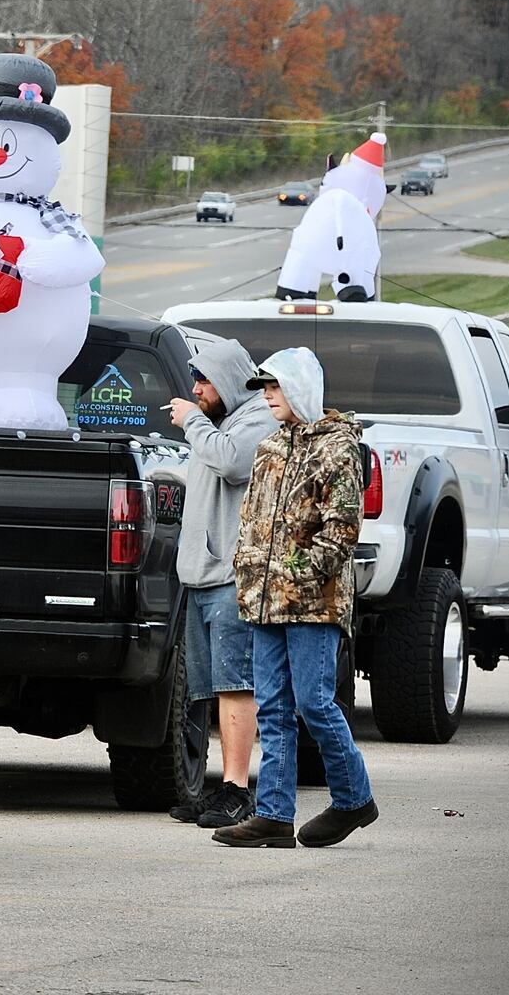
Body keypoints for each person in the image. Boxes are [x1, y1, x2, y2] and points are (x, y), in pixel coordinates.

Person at [213, 346, 377, 849]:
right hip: (262, 603)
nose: (267, 396)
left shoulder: (340, 447)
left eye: (275, 386)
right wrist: (248, 573)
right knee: (273, 710)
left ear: (300, 387)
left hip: (313, 605)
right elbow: (253, 525)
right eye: (264, 388)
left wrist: (293, 572)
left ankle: (354, 799)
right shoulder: (269, 448)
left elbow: (342, 532)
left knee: (314, 703)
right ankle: (274, 815)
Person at [166, 339, 277, 829]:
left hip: (231, 578)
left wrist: (192, 420)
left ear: (228, 378)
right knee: (207, 688)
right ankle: (216, 787)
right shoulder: (221, 425)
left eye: (203, 381)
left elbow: (232, 463)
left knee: (236, 685)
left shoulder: (256, 420)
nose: (196, 391)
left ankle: (237, 790)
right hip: (200, 576)